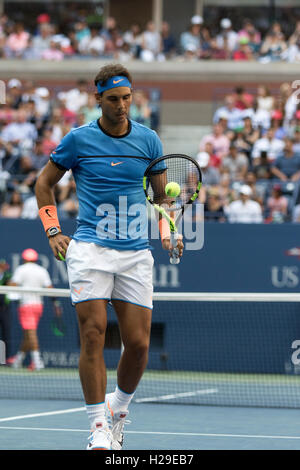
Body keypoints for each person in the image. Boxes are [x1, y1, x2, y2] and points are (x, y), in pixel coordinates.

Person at [34, 63, 183, 451]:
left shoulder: (149, 140)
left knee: (137, 346)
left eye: (127, 98)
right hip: (90, 250)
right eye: (114, 99)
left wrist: (167, 232)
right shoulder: (78, 140)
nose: (122, 106)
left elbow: (161, 197)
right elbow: (43, 183)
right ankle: (98, 426)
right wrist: (53, 230)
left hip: (135, 254)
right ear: (97, 98)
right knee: (93, 333)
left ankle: (118, 410)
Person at [8, 248, 56, 370]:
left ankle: (37, 361)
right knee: (27, 334)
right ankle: (18, 360)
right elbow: (50, 288)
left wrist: (7, 282)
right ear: (35, 259)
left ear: (24, 259)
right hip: (38, 306)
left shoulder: (21, 269)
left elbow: (12, 285)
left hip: (26, 305)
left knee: (31, 333)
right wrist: (56, 304)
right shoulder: (42, 270)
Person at [0, 259, 12, 360]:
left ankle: (4, 358)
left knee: (5, 334)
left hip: (4, 309)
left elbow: (11, 286)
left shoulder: (8, 276)